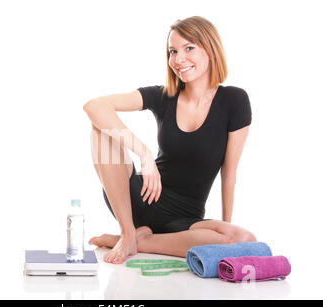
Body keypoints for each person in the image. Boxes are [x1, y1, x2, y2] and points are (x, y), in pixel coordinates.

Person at [83, 16, 256, 264]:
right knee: (100, 131)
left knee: (243, 238)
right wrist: (144, 155)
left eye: (189, 48)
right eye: (173, 51)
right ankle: (129, 231)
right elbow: (94, 106)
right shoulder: (164, 96)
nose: (178, 59)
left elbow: (229, 173)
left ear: (210, 49)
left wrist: (223, 232)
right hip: (139, 198)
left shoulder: (234, 101)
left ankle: (138, 240)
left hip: (185, 219)